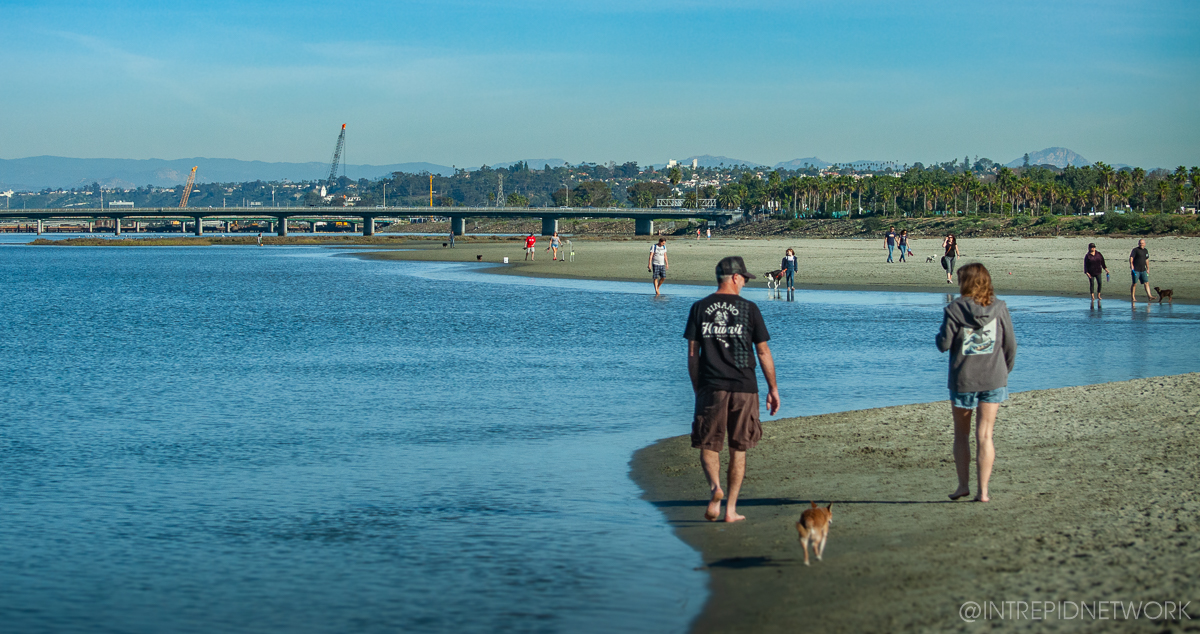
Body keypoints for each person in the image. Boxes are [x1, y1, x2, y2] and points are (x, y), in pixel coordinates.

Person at [684, 256, 780, 522]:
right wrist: (773, 388)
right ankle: (730, 510)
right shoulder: (749, 309)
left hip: (711, 385)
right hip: (744, 387)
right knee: (739, 447)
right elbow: (762, 351)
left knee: (709, 444)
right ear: (735, 278)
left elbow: (693, 354)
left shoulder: (699, 308)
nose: (745, 284)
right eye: (745, 279)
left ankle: (715, 489)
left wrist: (697, 388)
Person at [936, 263, 1017, 503]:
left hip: (964, 379)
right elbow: (1010, 345)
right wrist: (1004, 372)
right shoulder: (1000, 307)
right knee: (985, 435)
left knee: (961, 435)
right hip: (993, 378)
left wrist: (941, 333)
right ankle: (983, 492)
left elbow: (943, 344)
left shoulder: (954, 308)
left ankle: (963, 485)